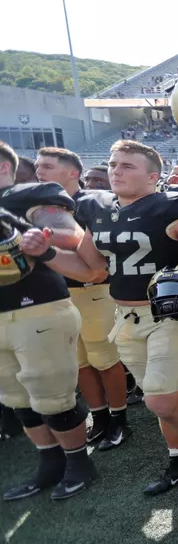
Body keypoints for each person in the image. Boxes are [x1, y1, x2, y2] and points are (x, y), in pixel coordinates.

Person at [40, 139, 178, 500]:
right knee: (163, 399)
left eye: (127, 166)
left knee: (161, 401)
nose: (116, 171)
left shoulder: (169, 206)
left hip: (170, 314)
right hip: (125, 316)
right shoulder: (98, 208)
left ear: (153, 177)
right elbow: (93, 271)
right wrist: (47, 252)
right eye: (113, 164)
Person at [0, 141, 95, 501]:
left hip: (36, 306)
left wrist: (39, 236)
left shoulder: (29, 195)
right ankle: (49, 463)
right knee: (16, 396)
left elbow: (70, 232)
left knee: (52, 394)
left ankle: (79, 462)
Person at [33, 147, 129, 450]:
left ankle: (119, 418)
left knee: (105, 359)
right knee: (79, 363)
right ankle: (99, 417)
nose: (40, 172)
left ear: (72, 173)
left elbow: (97, 258)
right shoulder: (38, 206)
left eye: (48, 166)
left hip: (94, 291)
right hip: (59, 294)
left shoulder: (91, 202)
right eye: (38, 166)